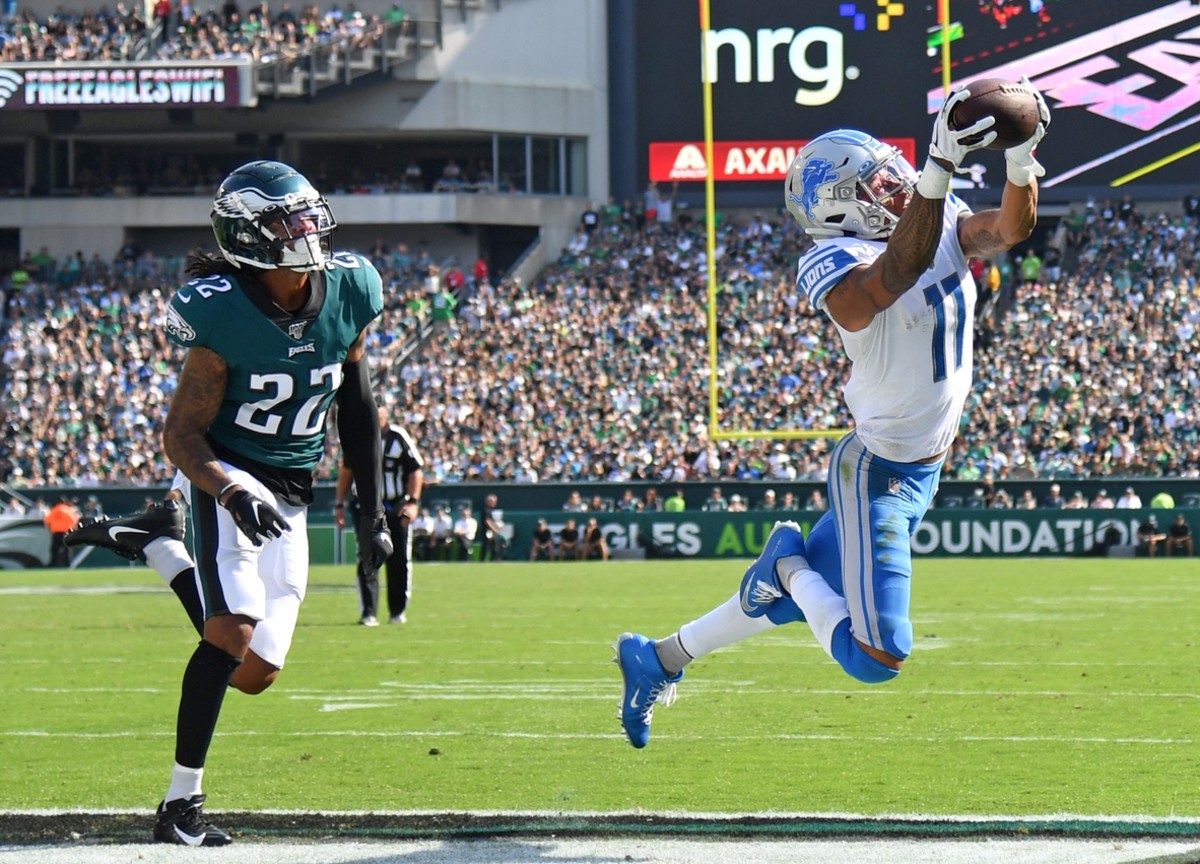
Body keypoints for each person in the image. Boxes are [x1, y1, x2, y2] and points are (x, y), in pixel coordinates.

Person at [613, 80, 1049, 748]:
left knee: (798, 601)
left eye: (894, 175)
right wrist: (936, 174)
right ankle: (783, 561)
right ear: (842, 207)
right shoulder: (831, 259)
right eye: (878, 184)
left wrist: (1022, 157)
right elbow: (882, 285)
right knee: (876, 654)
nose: (898, 185)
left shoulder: (935, 216)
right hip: (877, 472)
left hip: (920, 469)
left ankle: (659, 658)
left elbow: (1009, 228)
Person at [82, 161, 392, 844]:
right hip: (229, 470)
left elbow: (360, 410)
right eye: (291, 221)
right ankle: (179, 808)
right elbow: (181, 433)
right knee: (231, 632)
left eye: (311, 214)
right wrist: (225, 490)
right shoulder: (220, 309)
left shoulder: (349, 290)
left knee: (255, 673)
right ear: (251, 237)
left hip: (293, 488)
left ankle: (158, 547)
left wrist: (374, 513)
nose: (309, 230)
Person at [335, 406, 424, 626]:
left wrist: (413, 503)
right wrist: (339, 503)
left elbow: (416, 470)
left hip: (395, 505)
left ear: (386, 417)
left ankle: (397, 611)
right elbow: (346, 471)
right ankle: (368, 612)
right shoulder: (357, 436)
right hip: (366, 506)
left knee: (399, 558)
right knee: (368, 556)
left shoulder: (398, 437)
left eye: (379, 416)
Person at [44, 495, 81, 567]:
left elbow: (47, 521)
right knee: (67, 549)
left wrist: (50, 529)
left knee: (54, 549)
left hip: (56, 532)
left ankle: (53, 563)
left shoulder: (54, 510)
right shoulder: (69, 510)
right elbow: (75, 520)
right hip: (66, 532)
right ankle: (68, 563)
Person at [480, 493, 507, 561]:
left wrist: (497, 529)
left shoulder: (490, 510)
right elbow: (488, 522)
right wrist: (496, 530)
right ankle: (482, 561)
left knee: (495, 548)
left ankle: (494, 561)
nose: (495, 503)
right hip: (487, 533)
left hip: (492, 533)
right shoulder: (486, 510)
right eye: (493, 501)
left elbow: (491, 522)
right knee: (486, 548)